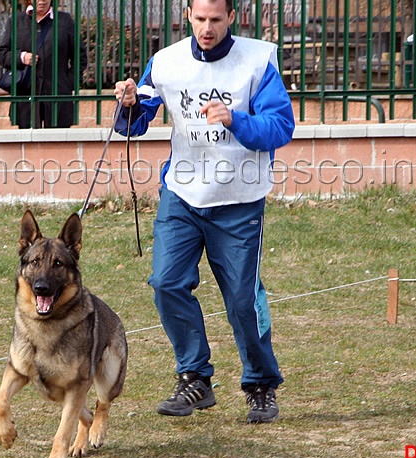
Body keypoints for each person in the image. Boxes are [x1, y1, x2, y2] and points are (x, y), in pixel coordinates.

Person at [113, 0, 295, 423]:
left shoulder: (257, 59)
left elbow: (280, 127)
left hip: (239, 200)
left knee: (241, 300)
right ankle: (194, 377)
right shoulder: (166, 62)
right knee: (166, 283)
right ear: (187, 17)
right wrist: (127, 103)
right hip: (182, 194)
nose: (207, 28)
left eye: (216, 19)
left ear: (232, 17)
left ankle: (261, 385)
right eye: (199, 19)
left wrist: (235, 120)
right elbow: (135, 119)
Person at [0, 0, 88, 128]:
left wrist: (69, 82)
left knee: (58, 143)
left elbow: (80, 56)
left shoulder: (64, 21)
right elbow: (2, 55)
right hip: (26, 96)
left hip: (57, 95)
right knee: (27, 143)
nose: (42, 1)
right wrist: (21, 57)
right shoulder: (16, 21)